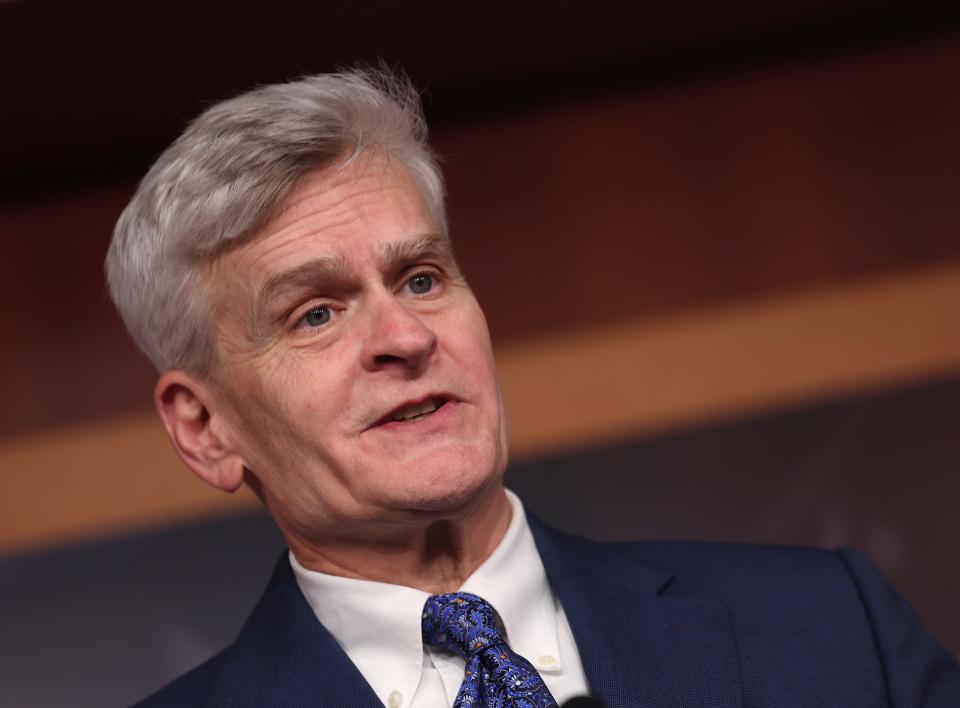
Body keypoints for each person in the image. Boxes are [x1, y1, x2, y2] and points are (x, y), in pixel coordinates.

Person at [106, 68, 960, 708]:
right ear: (205, 427)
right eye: (316, 315)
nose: (404, 338)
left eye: (422, 278)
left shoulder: (832, 629)